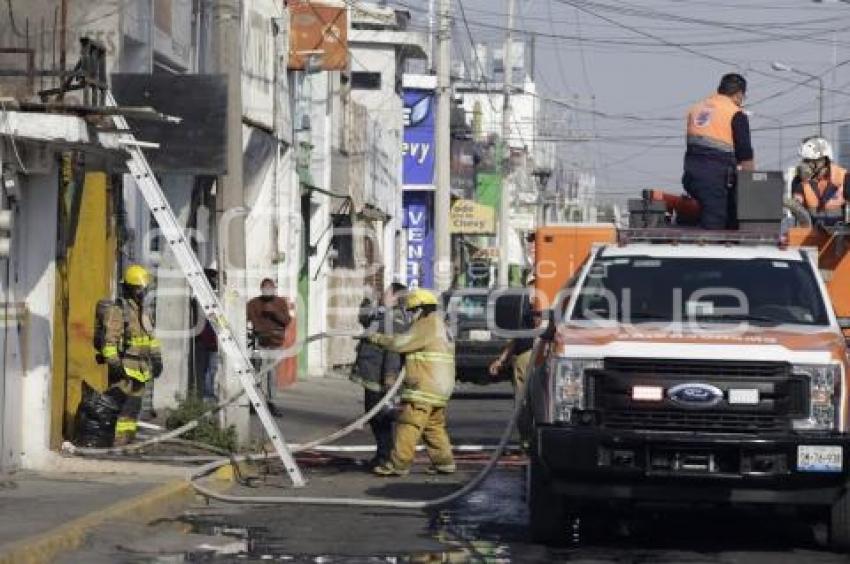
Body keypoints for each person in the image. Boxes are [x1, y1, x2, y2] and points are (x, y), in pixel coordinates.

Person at [368, 288, 456, 477]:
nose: (410, 315)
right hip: (442, 387)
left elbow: (401, 344)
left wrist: (376, 338)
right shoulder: (442, 325)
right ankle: (444, 462)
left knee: (409, 424)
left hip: (425, 385)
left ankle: (398, 464)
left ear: (420, 309)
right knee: (433, 426)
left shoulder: (426, 324)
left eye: (411, 310)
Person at [100, 264, 163, 446]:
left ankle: (129, 441)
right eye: (138, 288)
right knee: (122, 407)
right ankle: (119, 442)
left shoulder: (144, 310)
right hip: (125, 367)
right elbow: (109, 342)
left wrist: (157, 359)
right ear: (129, 288)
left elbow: (151, 338)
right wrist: (115, 365)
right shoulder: (119, 310)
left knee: (134, 408)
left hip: (141, 368)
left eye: (143, 288)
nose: (141, 292)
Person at [682, 73, 755, 230]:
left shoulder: (696, 109)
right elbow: (745, 155)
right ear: (739, 95)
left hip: (691, 176)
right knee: (716, 222)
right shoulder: (735, 113)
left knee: (718, 212)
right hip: (715, 178)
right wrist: (751, 187)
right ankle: (706, 250)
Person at [351, 283, 409, 470]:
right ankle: (382, 454)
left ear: (394, 297)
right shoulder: (383, 314)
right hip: (371, 375)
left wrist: (390, 377)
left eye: (386, 292)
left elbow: (393, 350)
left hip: (379, 378)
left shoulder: (395, 320)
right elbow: (365, 319)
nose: (383, 294)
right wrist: (367, 300)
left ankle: (386, 456)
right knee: (374, 417)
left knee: (381, 418)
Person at [488, 275, 537, 445]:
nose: (530, 292)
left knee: (527, 401)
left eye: (534, 286)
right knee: (522, 401)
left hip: (533, 355)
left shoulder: (543, 306)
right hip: (524, 355)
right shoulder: (525, 310)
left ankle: (531, 439)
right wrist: (501, 360)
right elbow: (516, 337)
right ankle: (527, 439)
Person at [246, 278, 292, 417]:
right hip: (258, 343)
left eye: (270, 288)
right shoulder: (253, 303)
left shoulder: (280, 302)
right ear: (261, 289)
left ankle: (271, 402)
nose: (268, 291)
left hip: (275, 343)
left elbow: (287, 321)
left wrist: (274, 312)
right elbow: (246, 318)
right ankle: (255, 402)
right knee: (256, 372)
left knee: (272, 374)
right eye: (265, 288)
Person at [792, 136, 849, 225]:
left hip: (839, 235)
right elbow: (795, 208)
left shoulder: (844, 177)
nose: (806, 165)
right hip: (810, 234)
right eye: (805, 161)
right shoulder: (799, 180)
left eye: (810, 161)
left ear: (824, 160)